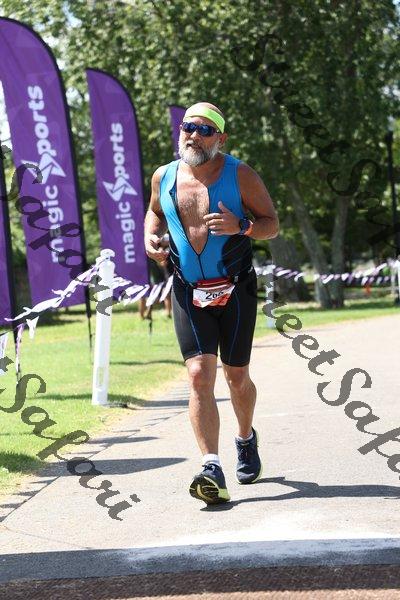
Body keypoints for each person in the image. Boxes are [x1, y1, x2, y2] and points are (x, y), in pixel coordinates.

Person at [144, 102, 279, 505]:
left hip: (236, 289)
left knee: (237, 378)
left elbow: (272, 224)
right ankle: (211, 467)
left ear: (221, 138)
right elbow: (154, 213)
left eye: (205, 130)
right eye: (188, 127)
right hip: (188, 290)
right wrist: (150, 238)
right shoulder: (164, 176)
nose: (194, 135)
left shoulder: (241, 175)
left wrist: (243, 226)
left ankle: (245, 438)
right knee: (199, 374)